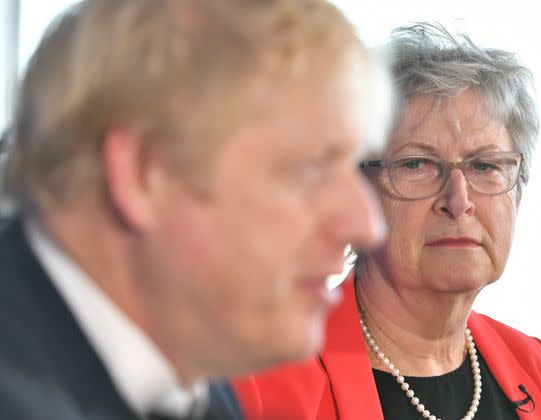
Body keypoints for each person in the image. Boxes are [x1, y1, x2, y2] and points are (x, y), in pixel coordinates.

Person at [0, 1, 394, 419]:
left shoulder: (190, 381)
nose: (366, 226)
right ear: (143, 174)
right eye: (311, 168)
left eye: (351, 167)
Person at [233, 22, 541, 420]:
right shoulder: (264, 381)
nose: (458, 200)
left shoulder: (539, 368)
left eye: (486, 165)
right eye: (417, 164)